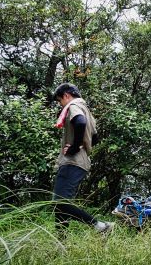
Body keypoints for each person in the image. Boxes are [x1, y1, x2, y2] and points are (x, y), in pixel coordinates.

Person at [52, 83, 113, 234]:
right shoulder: (87, 111)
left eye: (60, 101)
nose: (61, 105)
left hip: (72, 161)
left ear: (66, 95)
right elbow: (95, 138)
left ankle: (100, 226)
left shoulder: (73, 106)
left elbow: (79, 122)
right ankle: (61, 242)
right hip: (81, 161)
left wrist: (74, 147)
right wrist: (82, 145)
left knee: (59, 202)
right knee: (61, 204)